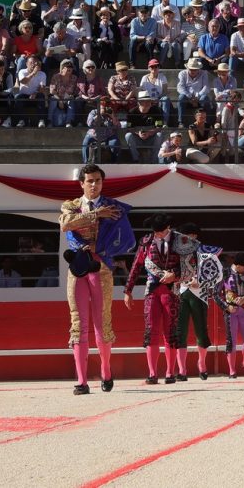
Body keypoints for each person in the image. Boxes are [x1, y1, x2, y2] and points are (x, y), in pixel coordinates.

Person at [58, 164, 135, 395]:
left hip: (101, 268)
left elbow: (126, 239)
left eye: (98, 180)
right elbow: (65, 224)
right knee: (78, 323)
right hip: (78, 268)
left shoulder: (113, 207)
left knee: (102, 322)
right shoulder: (71, 205)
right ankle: (82, 381)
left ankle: (106, 370)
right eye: (90, 181)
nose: (94, 185)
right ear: (81, 183)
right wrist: (96, 215)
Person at [124, 214, 183, 385]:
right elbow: (136, 265)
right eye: (156, 232)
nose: (158, 234)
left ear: (168, 227)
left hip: (171, 291)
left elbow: (191, 265)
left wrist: (175, 274)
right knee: (151, 331)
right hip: (152, 290)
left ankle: (170, 373)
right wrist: (128, 290)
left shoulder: (181, 241)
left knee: (170, 331)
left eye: (161, 231)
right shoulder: (146, 241)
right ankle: (152, 373)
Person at [173, 223, 222, 381]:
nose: (189, 237)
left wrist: (201, 282)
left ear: (195, 236)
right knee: (180, 331)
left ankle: (202, 364)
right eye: (186, 235)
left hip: (199, 294)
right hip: (180, 293)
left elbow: (217, 274)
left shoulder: (205, 252)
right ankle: (182, 370)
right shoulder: (176, 251)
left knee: (201, 331)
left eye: (192, 235)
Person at [220, 255, 244, 377]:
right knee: (231, 341)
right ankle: (232, 370)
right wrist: (226, 307)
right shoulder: (225, 273)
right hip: (230, 311)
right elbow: (216, 294)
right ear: (237, 265)